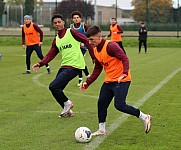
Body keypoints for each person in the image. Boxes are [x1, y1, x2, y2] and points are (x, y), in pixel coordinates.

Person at [80, 25, 151, 136]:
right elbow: (98, 68)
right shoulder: (95, 50)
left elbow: (124, 58)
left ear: (99, 37)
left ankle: (144, 117)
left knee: (119, 105)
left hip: (122, 80)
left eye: (91, 39)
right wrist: (87, 82)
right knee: (101, 103)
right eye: (88, 39)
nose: (89, 42)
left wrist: (124, 73)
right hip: (109, 81)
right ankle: (101, 130)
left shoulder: (111, 46)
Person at [32, 14, 94, 118]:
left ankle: (67, 104)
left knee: (53, 86)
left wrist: (93, 56)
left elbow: (86, 40)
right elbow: (50, 55)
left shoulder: (71, 32)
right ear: (53, 25)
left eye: (59, 22)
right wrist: (40, 63)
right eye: (55, 23)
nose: (57, 24)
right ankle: (68, 111)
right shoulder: (56, 40)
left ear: (63, 22)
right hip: (65, 66)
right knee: (56, 89)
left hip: (75, 65)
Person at [70, 11, 90, 87]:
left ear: (80, 19)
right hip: (75, 47)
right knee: (80, 62)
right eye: (74, 18)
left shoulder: (84, 26)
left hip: (83, 47)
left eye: (77, 18)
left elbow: (89, 36)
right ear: (72, 19)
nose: (76, 19)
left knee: (78, 61)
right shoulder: (71, 27)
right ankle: (88, 75)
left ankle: (80, 78)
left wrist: (84, 43)